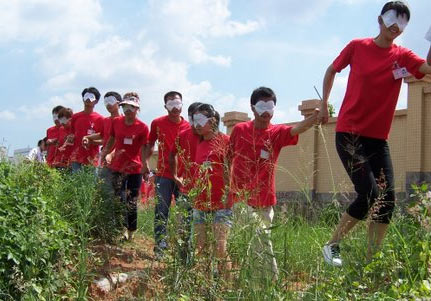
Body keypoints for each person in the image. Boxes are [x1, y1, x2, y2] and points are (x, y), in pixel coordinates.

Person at [319, 1, 431, 267]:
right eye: (392, 18)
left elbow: (428, 68)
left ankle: (371, 261)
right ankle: (332, 245)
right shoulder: (358, 46)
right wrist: (324, 103)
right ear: (380, 19)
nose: (396, 25)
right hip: (349, 134)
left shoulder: (403, 55)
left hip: (378, 140)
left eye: (403, 21)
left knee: (388, 199)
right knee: (368, 192)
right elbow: (332, 69)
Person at [228, 87, 318, 283]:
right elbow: (227, 156)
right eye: (262, 105)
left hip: (265, 199)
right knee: (258, 239)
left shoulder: (277, 132)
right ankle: (269, 282)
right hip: (241, 199)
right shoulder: (239, 130)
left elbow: (297, 129)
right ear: (252, 108)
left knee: (259, 240)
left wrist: (314, 118)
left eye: (270, 105)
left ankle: (258, 283)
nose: (266, 110)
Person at [143, 91, 190, 258]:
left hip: (184, 177)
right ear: (165, 106)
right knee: (161, 210)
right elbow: (149, 144)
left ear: (182, 105)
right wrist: (145, 163)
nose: (175, 108)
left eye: (178, 104)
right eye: (171, 105)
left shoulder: (189, 126)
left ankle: (183, 250)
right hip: (163, 175)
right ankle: (160, 248)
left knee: (184, 212)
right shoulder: (157, 123)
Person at [192, 104, 232, 279]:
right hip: (200, 202)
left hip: (221, 203)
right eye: (194, 121)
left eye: (201, 120)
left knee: (220, 248)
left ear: (213, 120)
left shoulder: (226, 141)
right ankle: (204, 283)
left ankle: (228, 285)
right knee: (200, 247)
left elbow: (232, 169)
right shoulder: (199, 144)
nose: (197, 125)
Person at [101, 92, 149, 241]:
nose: (128, 110)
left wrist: (145, 165)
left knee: (131, 200)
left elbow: (144, 148)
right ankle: (122, 229)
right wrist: (105, 153)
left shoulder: (143, 127)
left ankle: (132, 230)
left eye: (131, 107)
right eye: (125, 107)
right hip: (117, 167)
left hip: (135, 168)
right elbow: (112, 139)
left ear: (137, 109)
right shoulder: (117, 122)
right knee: (119, 198)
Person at [169, 101, 202, 263]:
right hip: (186, 190)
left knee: (202, 230)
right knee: (183, 227)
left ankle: (200, 264)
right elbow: (172, 154)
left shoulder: (212, 136)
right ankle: (183, 262)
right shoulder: (183, 134)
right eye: (195, 116)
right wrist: (175, 175)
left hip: (205, 193)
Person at [70, 87, 104, 172]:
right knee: (76, 184)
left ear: (96, 101)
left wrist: (91, 141)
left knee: (91, 184)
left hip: (92, 158)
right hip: (76, 158)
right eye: (86, 97)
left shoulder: (100, 119)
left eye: (91, 97)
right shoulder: (75, 117)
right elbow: (71, 134)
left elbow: (104, 139)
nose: (88, 99)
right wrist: (70, 138)